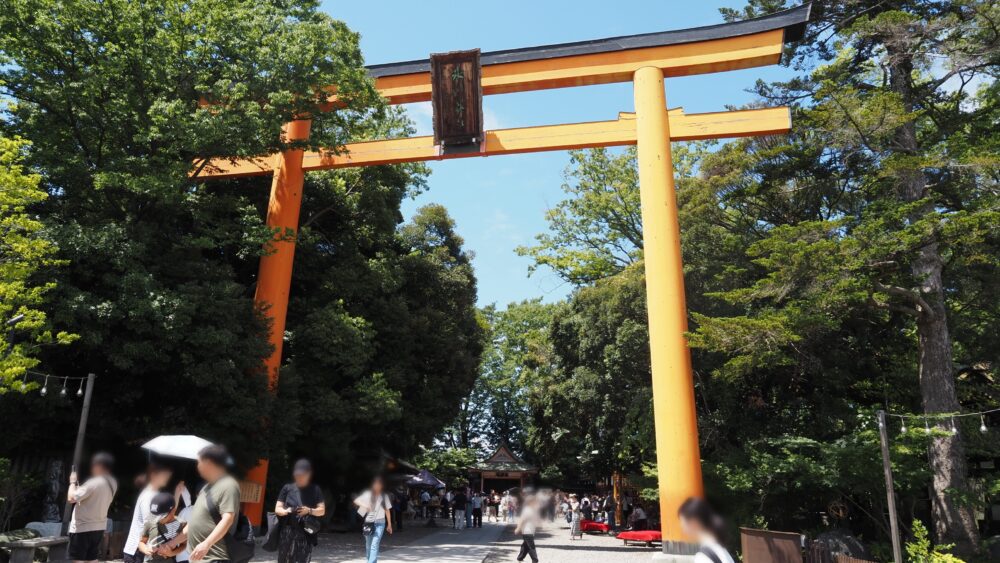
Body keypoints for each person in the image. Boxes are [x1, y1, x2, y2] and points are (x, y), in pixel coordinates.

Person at [184, 444, 242, 563]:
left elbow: (228, 519)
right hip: (198, 557)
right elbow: (194, 522)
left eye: (199, 462)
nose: (198, 466)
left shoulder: (228, 485)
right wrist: (171, 543)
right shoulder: (206, 488)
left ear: (209, 462)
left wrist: (206, 544)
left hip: (215, 558)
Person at [68, 452, 118, 563]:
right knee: (92, 558)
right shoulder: (113, 483)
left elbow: (71, 498)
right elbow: (94, 497)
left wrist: (72, 482)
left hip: (82, 527)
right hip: (99, 527)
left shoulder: (94, 483)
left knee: (78, 559)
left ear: (99, 466)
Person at [275, 459, 326, 563]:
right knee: (284, 559)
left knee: (302, 560)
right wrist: (286, 511)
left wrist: (309, 511)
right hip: (287, 531)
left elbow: (322, 511)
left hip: (306, 532)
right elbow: (277, 508)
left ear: (309, 474)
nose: (299, 477)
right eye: (297, 474)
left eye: (302, 474)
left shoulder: (315, 489)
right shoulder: (287, 488)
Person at [124, 464, 173, 563]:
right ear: (154, 475)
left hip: (143, 548)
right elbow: (150, 522)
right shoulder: (149, 496)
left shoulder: (153, 495)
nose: (167, 478)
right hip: (138, 550)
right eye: (164, 475)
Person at [679, 498, 735, 563]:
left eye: (684, 523)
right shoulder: (721, 549)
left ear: (694, 522)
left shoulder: (703, 558)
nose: (683, 530)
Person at [137, 492, 187, 563]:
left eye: (162, 516)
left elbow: (184, 545)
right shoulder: (150, 522)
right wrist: (145, 549)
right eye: (155, 516)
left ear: (173, 511)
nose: (158, 519)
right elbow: (141, 542)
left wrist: (171, 553)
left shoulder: (181, 524)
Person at [354, 476, 393, 563]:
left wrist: (389, 524)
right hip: (368, 522)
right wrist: (366, 506)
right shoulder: (368, 494)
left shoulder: (384, 496)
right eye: (375, 484)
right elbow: (356, 500)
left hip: (380, 523)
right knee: (368, 545)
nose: (377, 486)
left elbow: (387, 510)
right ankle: (370, 561)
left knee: (374, 545)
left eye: (379, 484)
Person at [514, 495, 540, 563]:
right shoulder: (528, 509)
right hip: (527, 530)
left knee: (525, 545)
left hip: (530, 530)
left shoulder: (532, 509)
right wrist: (518, 528)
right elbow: (522, 519)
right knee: (531, 546)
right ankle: (535, 560)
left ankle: (520, 558)